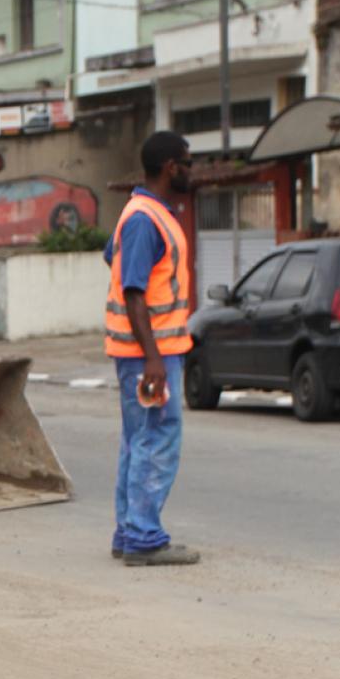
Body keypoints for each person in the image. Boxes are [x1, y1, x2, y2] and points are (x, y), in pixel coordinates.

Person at [104, 129, 198, 566]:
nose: (191, 170)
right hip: (149, 357)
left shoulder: (142, 213)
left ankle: (129, 532)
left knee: (138, 439)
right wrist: (155, 358)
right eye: (187, 162)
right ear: (170, 167)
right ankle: (142, 536)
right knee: (156, 438)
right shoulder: (145, 217)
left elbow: (114, 257)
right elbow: (134, 290)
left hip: (142, 354)